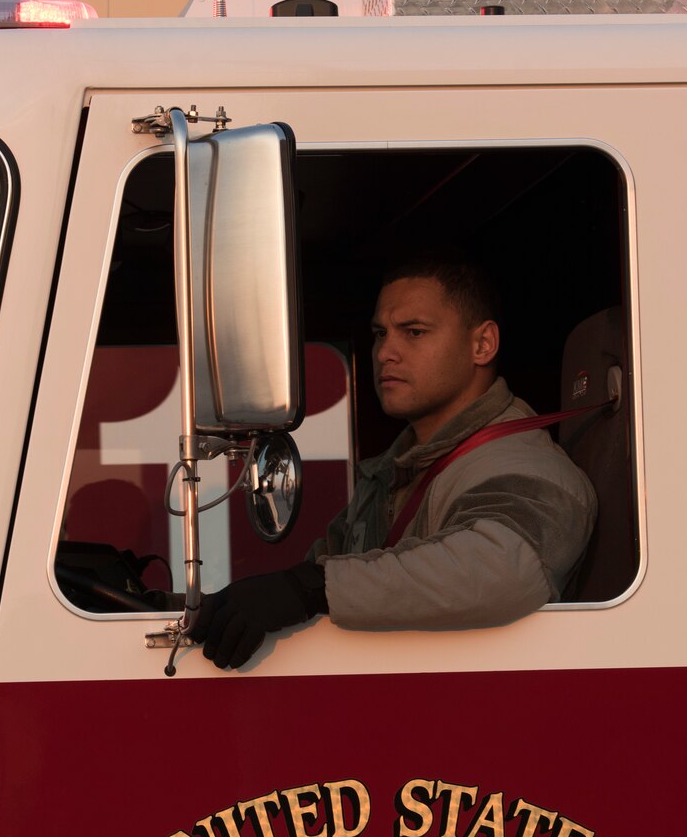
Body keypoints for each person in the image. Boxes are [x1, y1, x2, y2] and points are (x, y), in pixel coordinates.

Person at [189, 256, 596, 669]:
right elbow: (304, 587)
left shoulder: (526, 467)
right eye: (380, 333)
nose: (386, 352)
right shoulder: (391, 471)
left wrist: (314, 587)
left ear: (482, 345)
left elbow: (503, 569)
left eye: (414, 332)